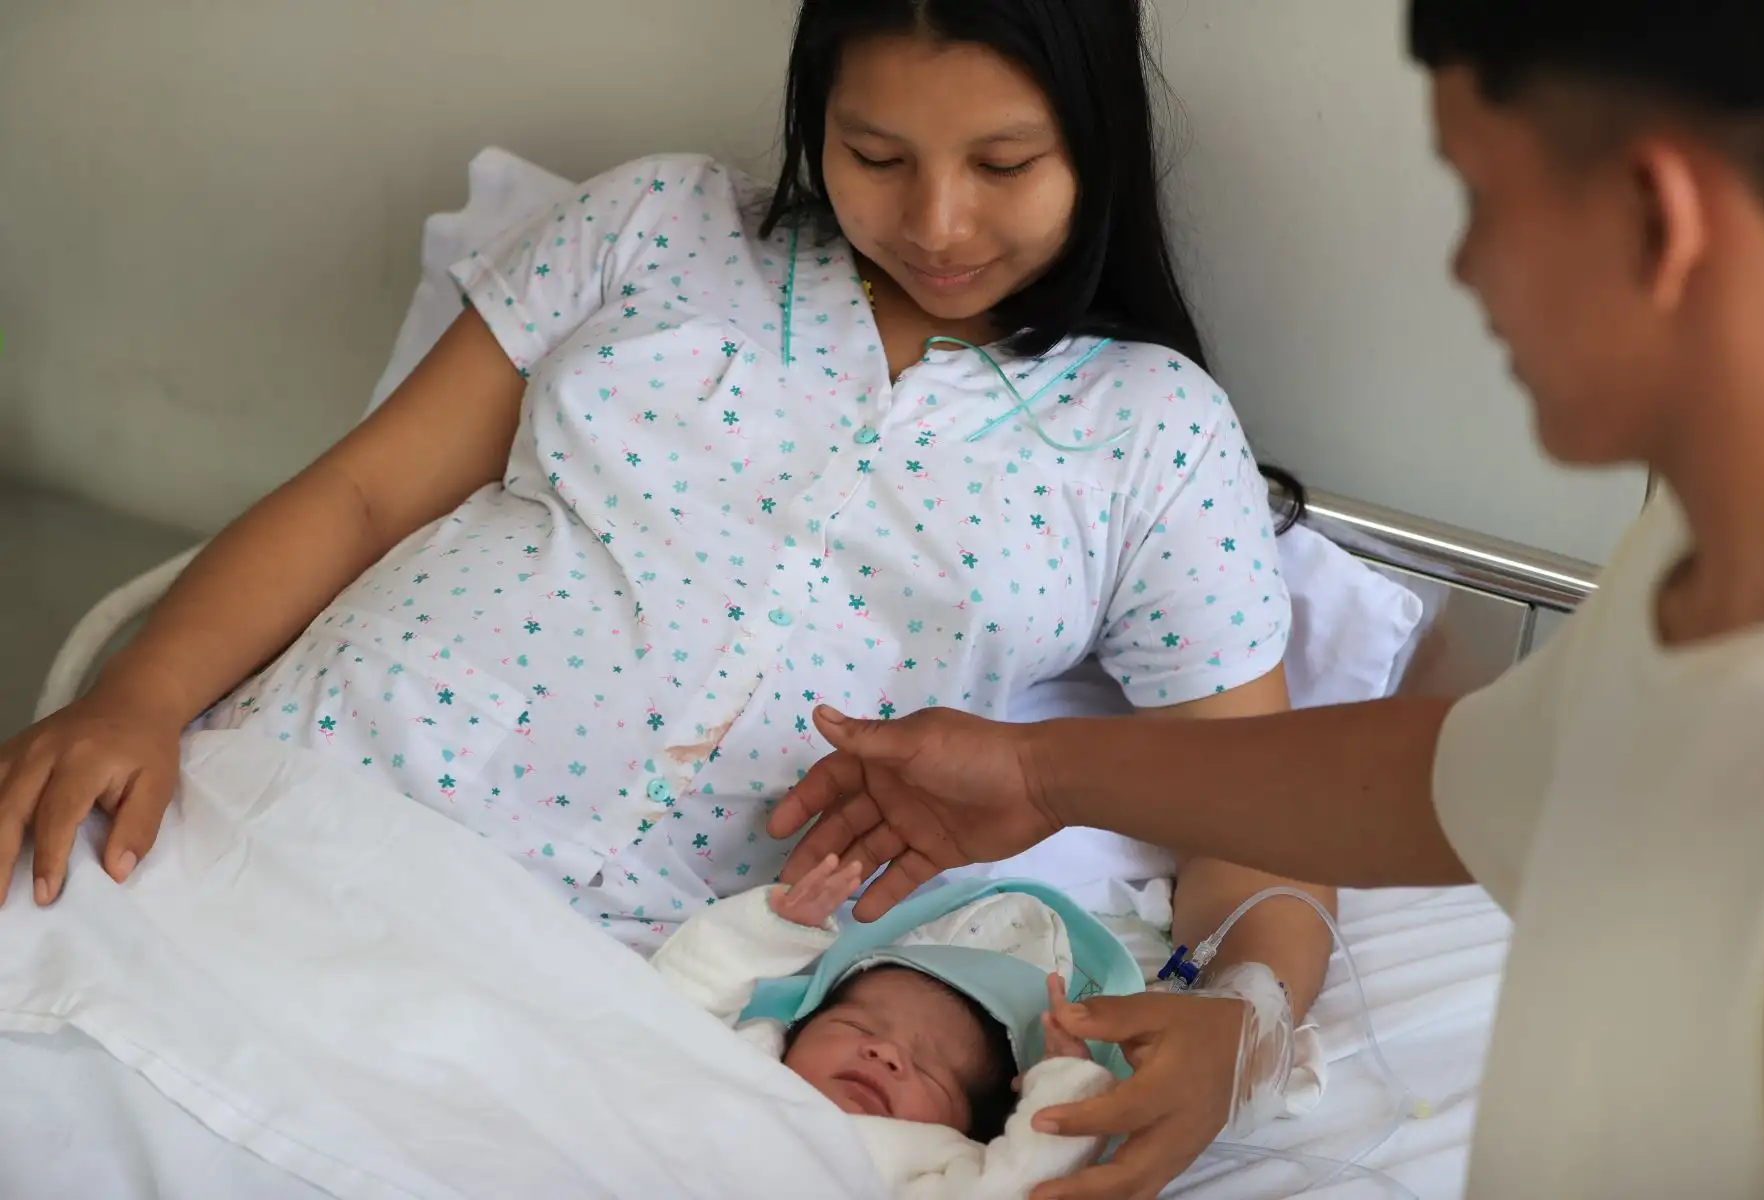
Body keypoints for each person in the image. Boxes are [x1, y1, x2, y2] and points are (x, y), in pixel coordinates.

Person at [0, 0, 1329, 1184]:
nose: (937, 223)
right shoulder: (659, 225)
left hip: (600, 972)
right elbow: (362, 495)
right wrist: (138, 701)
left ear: (1095, 142)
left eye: (1003, 165)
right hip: (303, 792)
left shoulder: (1149, 435)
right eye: (875, 156)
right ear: (817, 122)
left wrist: (1249, 1024)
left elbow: (1259, 812)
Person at [772, 1, 1764, 1196]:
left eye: (1485, 204)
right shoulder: (1705, 554)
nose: (1464, 270)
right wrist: (1044, 777)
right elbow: (1478, 774)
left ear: (1655, 218)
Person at [651, 852, 1116, 1198]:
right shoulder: (749, 1054)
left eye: (933, 1069)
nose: (886, 1054)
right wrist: (764, 933)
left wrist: (1068, 1086)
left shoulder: (939, 1164)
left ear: (973, 1128)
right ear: (802, 1025)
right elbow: (656, 1012)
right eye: (859, 1026)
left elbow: (1026, 1180)